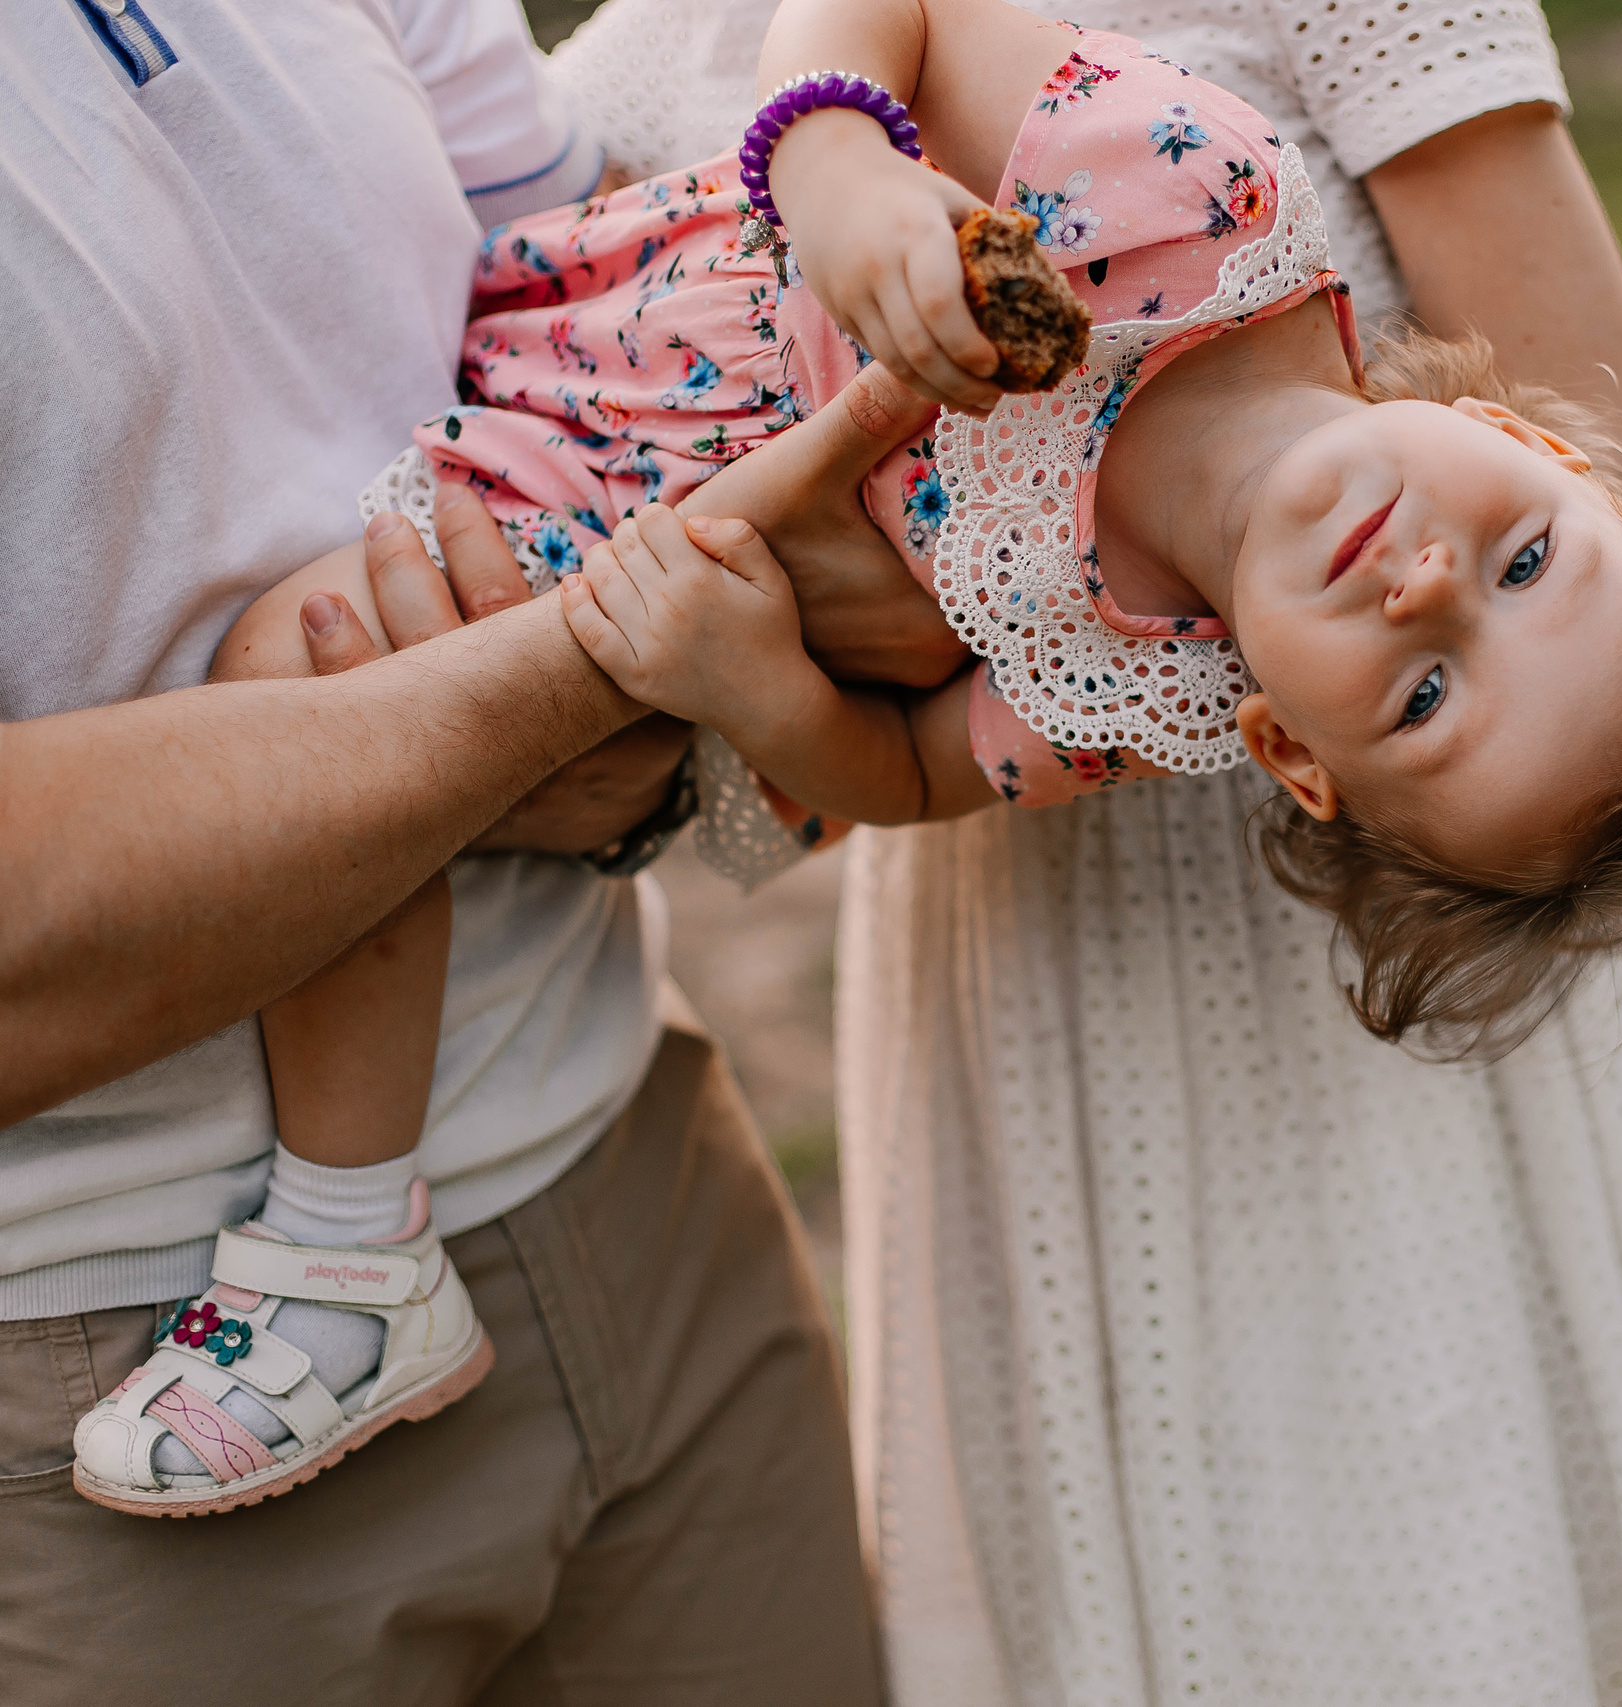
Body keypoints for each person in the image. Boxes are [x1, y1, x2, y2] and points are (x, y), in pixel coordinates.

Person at [541, 1, 1622, 1701]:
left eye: (1460, 634)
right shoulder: (1154, 207)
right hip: (1056, 980)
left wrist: (1197, 574)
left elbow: (1612, 478)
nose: (1437, 588)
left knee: (1461, 1554)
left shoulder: (1258, 648)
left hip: (1439, 928)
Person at [0, 0, 930, 1691]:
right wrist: (562, 684)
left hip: (644, 1199)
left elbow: (623, 349)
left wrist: (641, 742)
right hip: (105, 1379)